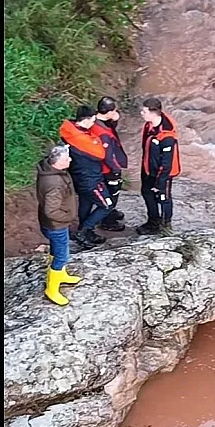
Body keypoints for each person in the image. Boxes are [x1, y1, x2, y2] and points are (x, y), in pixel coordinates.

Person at [59, 105, 113, 247]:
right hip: (90, 179)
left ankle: (86, 232)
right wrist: (96, 140)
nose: (94, 124)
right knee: (107, 205)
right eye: (93, 120)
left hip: (79, 177)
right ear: (87, 120)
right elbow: (100, 153)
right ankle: (83, 231)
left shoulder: (70, 132)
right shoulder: (81, 139)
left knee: (86, 203)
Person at [36, 144, 81, 306]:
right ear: (58, 162)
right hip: (56, 225)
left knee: (56, 250)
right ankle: (52, 289)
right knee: (62, 255)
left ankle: (60, 275)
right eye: (67, 158)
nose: (70, 159)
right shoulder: (54, 184)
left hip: (52, 224)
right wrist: (68, 217)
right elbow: (51, 210)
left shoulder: (50, 171)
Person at [138, 97, 182, 235]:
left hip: (163, 173)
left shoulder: (167, 136)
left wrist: (160, 182)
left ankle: (165, 226)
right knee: (147, 193)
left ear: (153, 113)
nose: (141, 113)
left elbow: (167, 162)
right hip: (148, 167)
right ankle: (153, 221)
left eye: (144, 111)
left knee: (163, 198)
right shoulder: (149, 125)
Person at [90, 96, 128, 232]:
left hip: (98, 167)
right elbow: (108, 156)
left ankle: (110, 212)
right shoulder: (103, 134)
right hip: (107, 169)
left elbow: (108, 128)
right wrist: (116, 170)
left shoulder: (94, 121)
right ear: (110, 112)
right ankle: (108, 221)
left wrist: (114, 121)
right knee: (113, 192)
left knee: (107, 191)